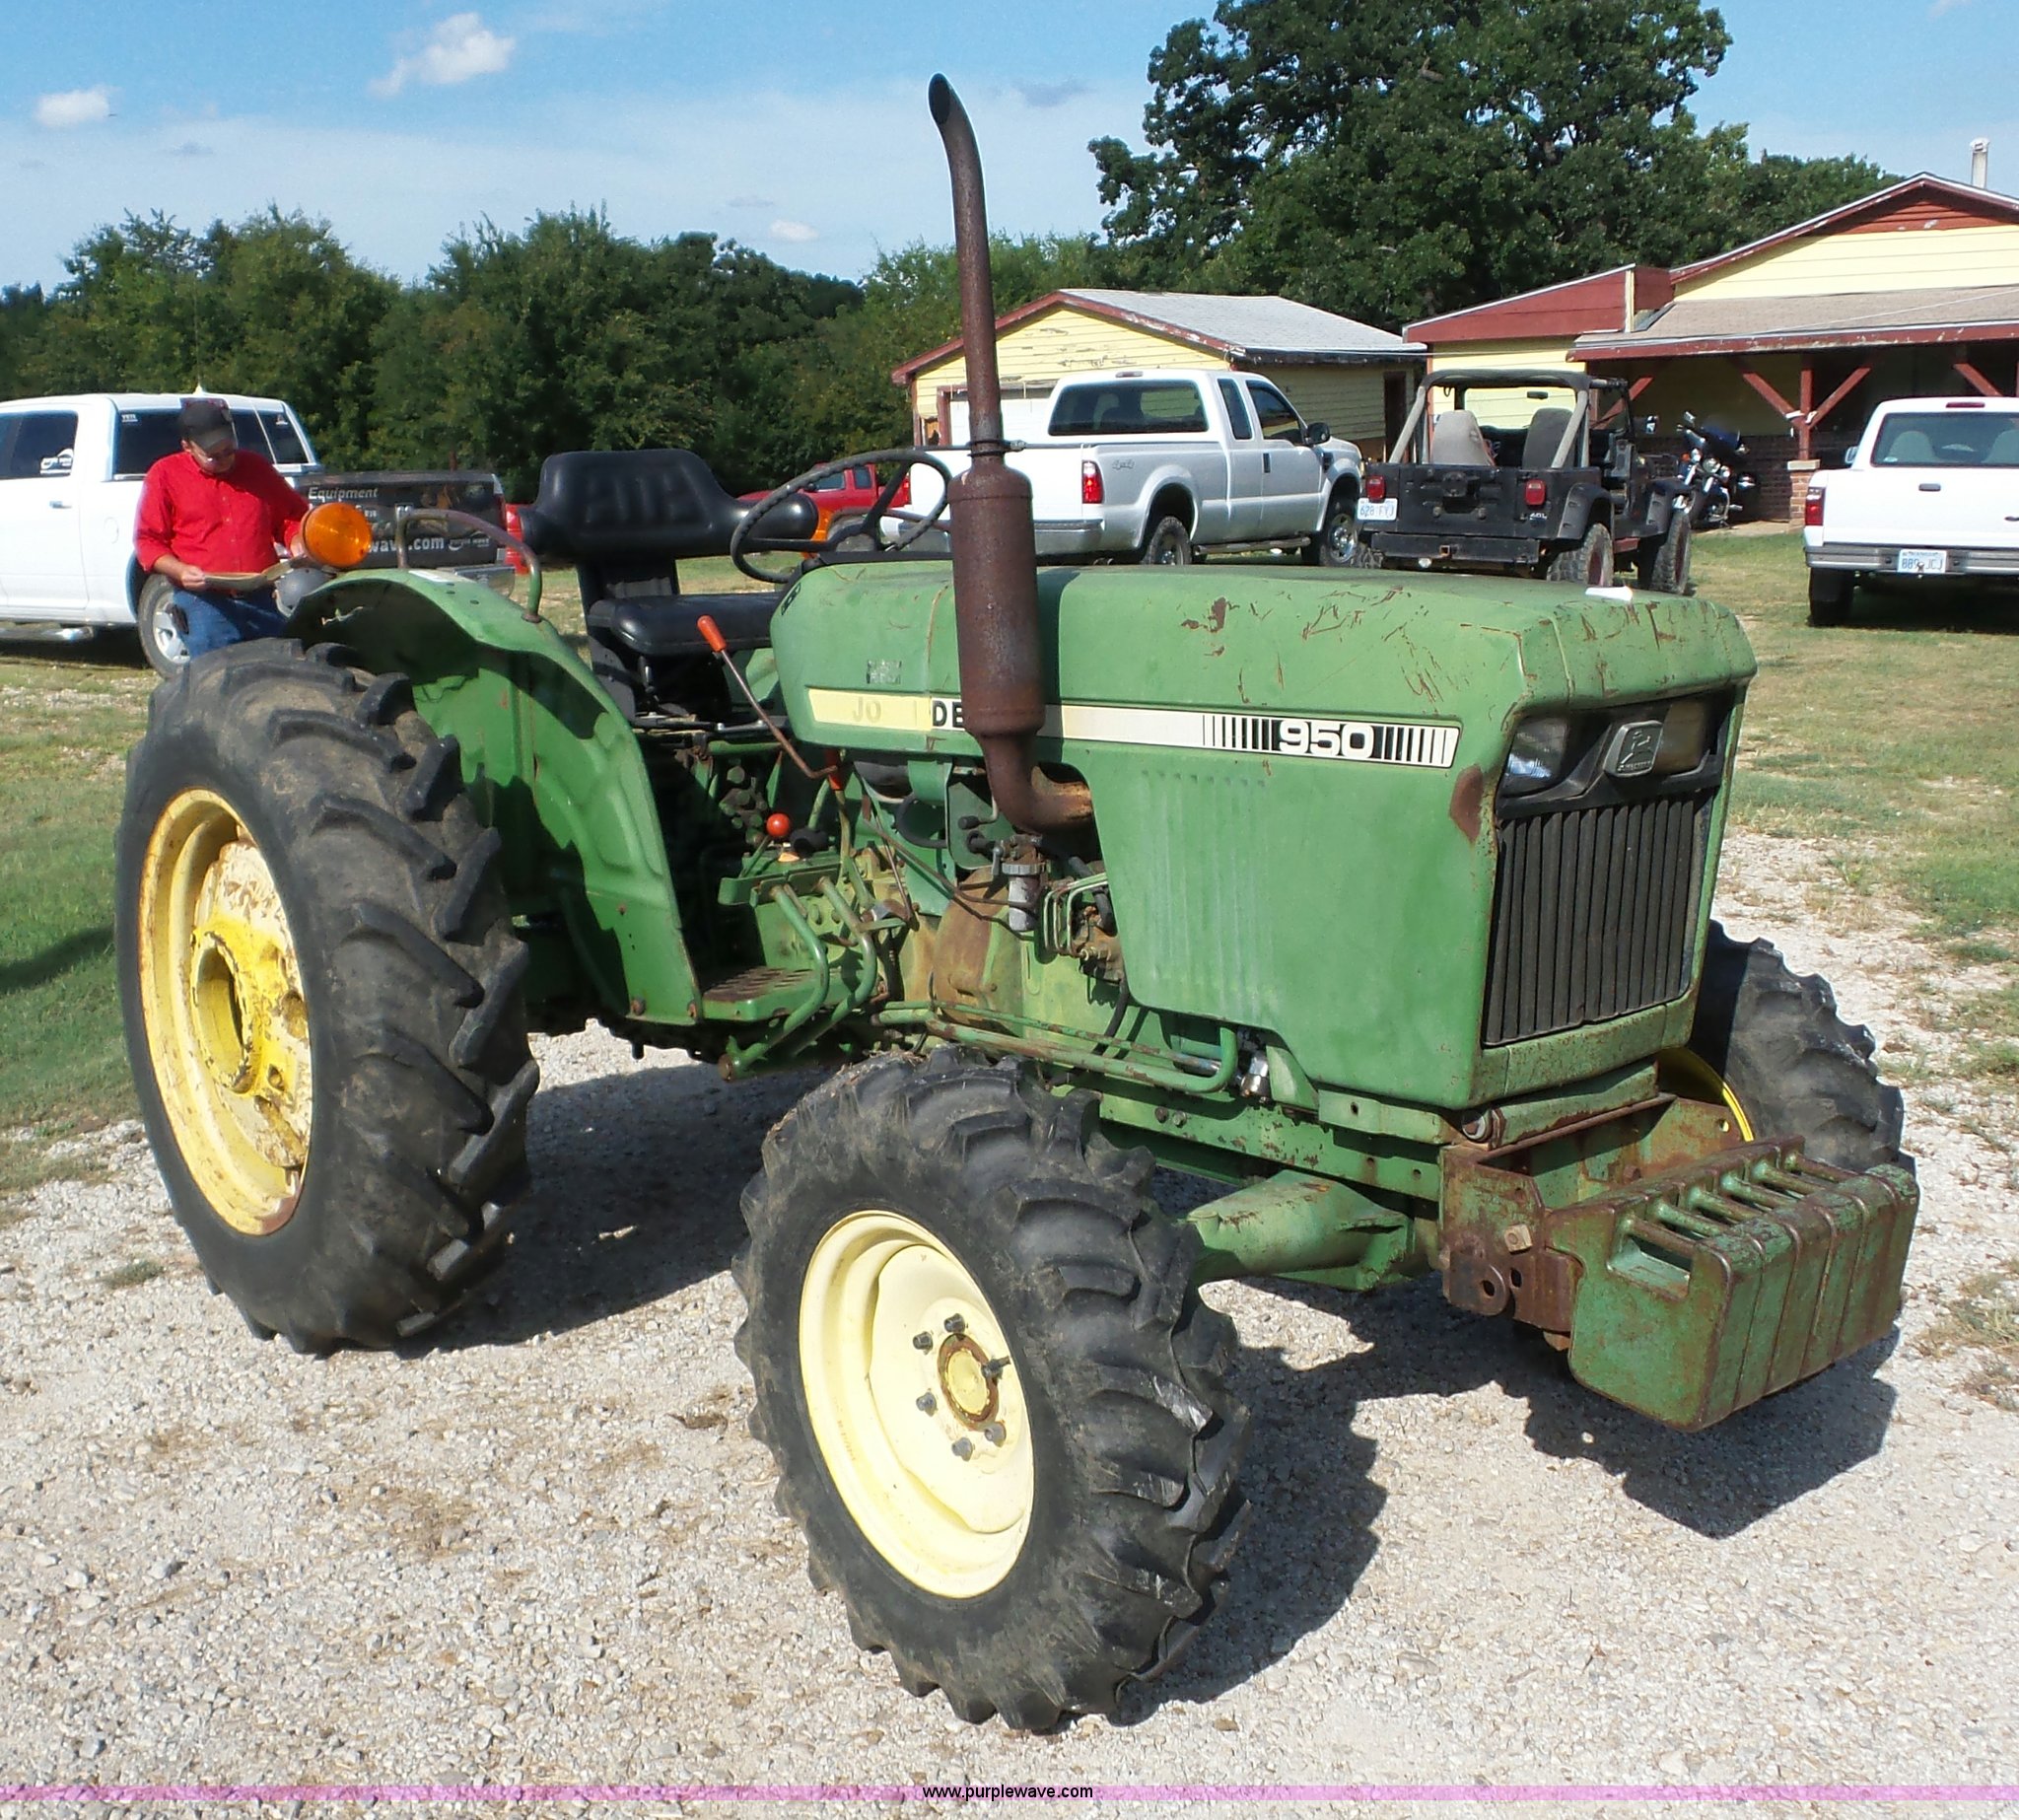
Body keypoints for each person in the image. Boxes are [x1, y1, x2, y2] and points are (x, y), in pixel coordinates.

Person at [134, 397, 311, 658]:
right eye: (213, 456)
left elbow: (291, 518)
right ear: (188, 447)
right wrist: (180, 571)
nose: (225, 459)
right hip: (205, 601)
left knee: (275, 672)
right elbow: (148, 541)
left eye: (230, 450)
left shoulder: (256, 468)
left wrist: (296, 540)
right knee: (217, 677)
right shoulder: (164, 475)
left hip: (261, 595)